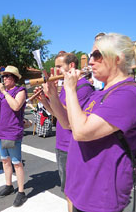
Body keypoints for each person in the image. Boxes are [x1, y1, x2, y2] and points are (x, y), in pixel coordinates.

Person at [63, 33, 136, 212]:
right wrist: (51, 98)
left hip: (101, 197)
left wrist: (70, 89)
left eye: (97, 55)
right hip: (81, 189)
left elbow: (81, 131)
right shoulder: (100, 93)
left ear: (117, 59)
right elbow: (68, 124)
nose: (90, 61)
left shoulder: (128, 95)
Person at [36, 53, 94, 212]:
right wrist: (45, 101)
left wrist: (54, 94)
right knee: (68, 191)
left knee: (75, 193)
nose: (56, 70)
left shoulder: (82, 88)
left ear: (72, 66)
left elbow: (72, 120)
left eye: (59, 66)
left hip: (73, 147)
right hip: (62, 146)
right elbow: (58, 114)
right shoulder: (67, 86)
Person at [0, 65, 28, 207]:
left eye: (8, 76)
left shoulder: (20, 91)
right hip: (0, 132)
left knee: (17, 163)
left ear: (14, 78)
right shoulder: (1, 94)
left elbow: (16, 106)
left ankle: (21, 192)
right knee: (5, 161)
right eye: (3, 76)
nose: (4, 78)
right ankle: (9, 185)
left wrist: (4, 91)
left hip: (12, 133)